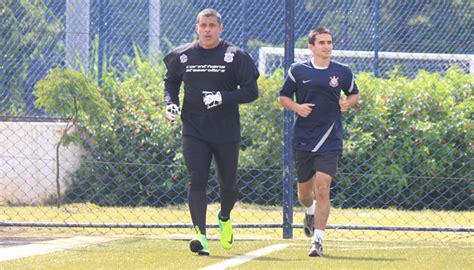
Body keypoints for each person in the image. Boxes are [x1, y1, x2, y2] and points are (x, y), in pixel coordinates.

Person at [163, 8, 259, 256]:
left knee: (229, 186)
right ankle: (201, 237)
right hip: (194, 129)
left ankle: (224, 217)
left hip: (226, 131)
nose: (207, 30)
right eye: (203, 25)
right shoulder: (182, 55)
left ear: (220, 28)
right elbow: (171, 81)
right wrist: (170, 103)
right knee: (197, 180)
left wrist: (223, 98)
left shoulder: (235, 56)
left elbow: (251, 91)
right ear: (196, 28)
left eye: (212, 26)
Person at [278, 28, 359, 257]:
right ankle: (309, 211)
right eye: (321, 42)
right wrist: (297, 107)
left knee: (322, 188)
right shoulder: (298, 70)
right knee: (305, 194)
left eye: (329, 42)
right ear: (311, 47)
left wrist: (348, 103)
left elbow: (354, 93)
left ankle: (318, 241)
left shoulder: (342, 71)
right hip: (303, 138)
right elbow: (282, 97)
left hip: (330, 139)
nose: (327, 46)